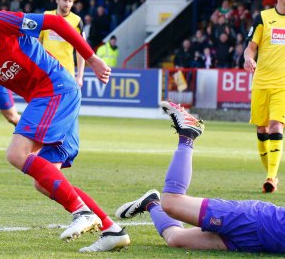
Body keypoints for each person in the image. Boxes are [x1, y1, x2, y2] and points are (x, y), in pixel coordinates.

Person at [0, 0, 128, 252]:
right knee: (45, 182)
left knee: (16, 154)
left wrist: (92, 58)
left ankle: (83, 213)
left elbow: (53, 22)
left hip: (55, 88)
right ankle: (112, 229)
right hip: (48, 96)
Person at [116, 101, 285, 253]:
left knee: (176, 239)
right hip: (256, 221)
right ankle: (188, 134)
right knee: (172, 203)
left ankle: (152, 203)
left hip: (259, 243)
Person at [244, 0, 285, 193]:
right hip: (261, 82)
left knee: (276, 125)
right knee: (261, 129)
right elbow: (250, 47)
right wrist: (247, 58)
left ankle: (271, 177)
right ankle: (271, 174)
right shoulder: (263, 18)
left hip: (283, 85)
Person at [38, 0, 86, 86]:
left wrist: (80, 76)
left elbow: (81, 50)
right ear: (57, 0)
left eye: (70, 1)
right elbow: (37, 43)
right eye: (65, 0)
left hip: (66, 71)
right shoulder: (46, 16)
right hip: (45, 69)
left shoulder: (77, 21)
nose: (67, 4)